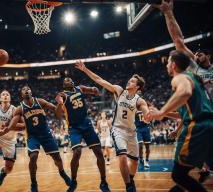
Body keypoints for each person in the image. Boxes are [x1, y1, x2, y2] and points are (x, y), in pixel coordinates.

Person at [154, 0, 213, 183]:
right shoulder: (193, 70)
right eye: (195, 53)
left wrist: (161, 112)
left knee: (181, 175)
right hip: (206, 116)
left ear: (209, 56)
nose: (197, 55)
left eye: (201, 53)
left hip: (206, 119)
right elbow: (178, 41)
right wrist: (168, 13)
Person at [75, 60, 150, 192]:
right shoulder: (119, 91)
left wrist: (148, 116)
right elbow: (100, 80)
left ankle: (130, 179)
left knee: (135, 162)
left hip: (132, 132)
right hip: (118, 130)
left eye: (132, 81)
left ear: (138, 87)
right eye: (129, 80)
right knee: (122, 157)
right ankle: (129, 186)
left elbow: (146, 111)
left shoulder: (139, 100)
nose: (129, 82)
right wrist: (85, 69)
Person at [148, 50, 213, 192]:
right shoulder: (193, 77)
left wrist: (161, 112)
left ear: (174, 65)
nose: (166, 65)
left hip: (198, 127)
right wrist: (165, 114)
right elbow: (183, 115)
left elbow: (184, 92)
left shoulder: (179, 77)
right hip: (209, 125)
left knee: (178, 175)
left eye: (168, 62)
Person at [0, 85, 71, 192]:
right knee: (33, 156)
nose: (26, 90)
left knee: (57, 158)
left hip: (46, 134)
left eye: (28, 89)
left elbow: (57, 113)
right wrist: (6, 130)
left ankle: (62, 172)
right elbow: (12, 124)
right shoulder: (20, 108)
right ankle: (33, 182)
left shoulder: (40, 101)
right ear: (21, 95)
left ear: (31, 92)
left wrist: (60, 104)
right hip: (33, 136)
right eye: (24, 90)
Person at [56, 77, 110, 192]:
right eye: (66, 80)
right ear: (63, 85)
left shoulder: (79, 88)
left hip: (86, 124)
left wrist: (94, 89)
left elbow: (90, 89)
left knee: (99, 153)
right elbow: (58, 114)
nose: (69, 80)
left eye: (70, 79)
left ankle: (103, 182)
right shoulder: (62, 95)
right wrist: (60, 104)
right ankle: (73, 181)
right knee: (77, 152)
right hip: (74, 128)